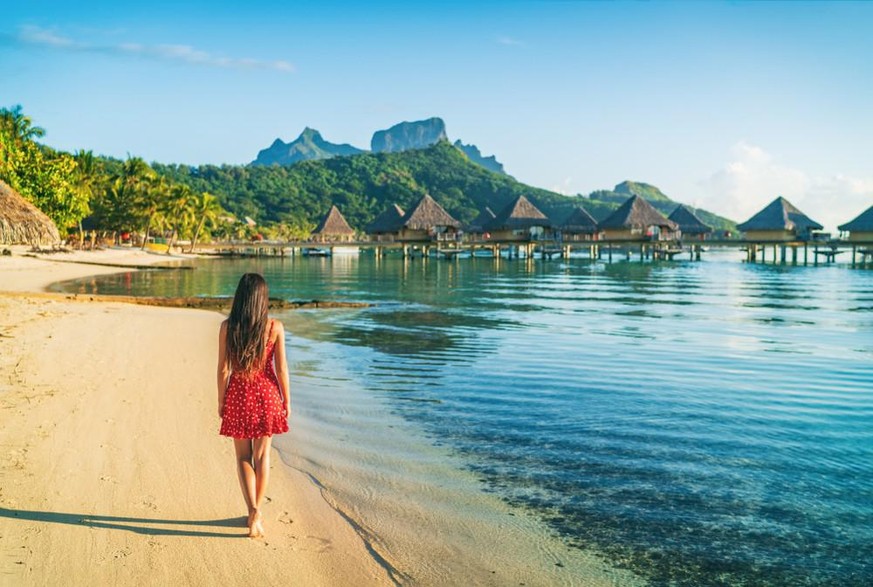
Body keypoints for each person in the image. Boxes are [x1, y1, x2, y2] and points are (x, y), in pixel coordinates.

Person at [217, 273, 290, 538]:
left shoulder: (228, 327)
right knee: (262, 457)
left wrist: (221, 399)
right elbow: (281, 369)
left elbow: (224, 369)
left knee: (242, 457)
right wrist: (286, 400)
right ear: (263, 300)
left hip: (238, 395)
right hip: (268, 396)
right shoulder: (275, 327)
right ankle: (257, 511)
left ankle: (252, 509)